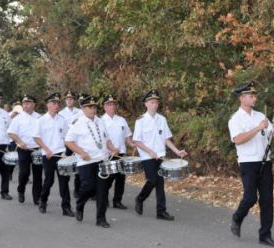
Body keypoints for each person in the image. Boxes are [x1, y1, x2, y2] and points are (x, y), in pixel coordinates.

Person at [227, 81, 274, 247]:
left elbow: (272, 134)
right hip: (248, 163)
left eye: (255, 95)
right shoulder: (235, 119)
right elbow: (238, 140)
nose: (255, 98)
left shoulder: (260, 116)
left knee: (267, 200)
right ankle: (237, 217)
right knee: (250, 197)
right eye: (251, 95)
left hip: (265, 161)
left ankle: (265, 235)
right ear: (242, 98)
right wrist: (258, 128)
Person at [65, 94, 119, 228]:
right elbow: (68, 141)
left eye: (94, 107)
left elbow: (106, 139)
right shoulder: (77, 123)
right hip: (86, 162)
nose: (93, 109)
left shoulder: (100, 121)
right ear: (82, 108)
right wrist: (81, 152)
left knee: (102, 190)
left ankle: (101, 219)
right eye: (89, 107)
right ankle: (80, 204)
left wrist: (112, 148)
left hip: (102, 159)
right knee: (89, 187)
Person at [132, 89, 187, 221]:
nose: (155, 104)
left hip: (160, 156)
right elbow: (136, 141)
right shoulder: (140, 120)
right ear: (146, 104)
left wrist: (177, 151)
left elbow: (166, 139)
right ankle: (140, 198)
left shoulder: (162, 119)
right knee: (152, 180)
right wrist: (150, 151)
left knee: (160, 183)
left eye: (156, 102)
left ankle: (161, 211)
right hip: (147, 156)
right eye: (152, 102)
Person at [34, 92, 73, 216]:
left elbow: (67, 137)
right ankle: (43, 200)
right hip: (48, 155)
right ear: (48, 105)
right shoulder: (41, 120)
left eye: (58, 103)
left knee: (64, 181)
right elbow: (36, 138)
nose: (57, 105)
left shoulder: (63, 120)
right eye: (54, 103)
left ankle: (66, 207)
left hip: (61, 154)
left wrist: (69, 152)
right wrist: (46, 149)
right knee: (49, 180)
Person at [101, 94, 135, 209]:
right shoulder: (101, 121)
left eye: (113, 104)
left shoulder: (121, 120)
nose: (112, 106)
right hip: (108, 155)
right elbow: (102, 140)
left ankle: (117, 201)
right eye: (109, 104)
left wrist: (131, 144)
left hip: (121, 153)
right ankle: (104, 199)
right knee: (108, 179)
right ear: (104, 107)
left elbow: (127, 136)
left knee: (120, 178)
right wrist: (111, 149)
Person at [8, 95, 42, 205]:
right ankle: (21, 189)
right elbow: (11, 133)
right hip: (23, 149)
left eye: (28, 103)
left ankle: (37, 197)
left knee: (38, 174)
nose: (25, 105)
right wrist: (20, 142)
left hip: (37, 149)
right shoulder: (18, 118)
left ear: (34, 104)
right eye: (24, 103)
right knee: (24, 173)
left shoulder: (40, 117)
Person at [59, 90, 82, 196]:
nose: (69, 100)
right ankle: (65, 186)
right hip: (66, 143)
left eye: (71, 99)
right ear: (65, 101)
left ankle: (77, 189)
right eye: (67, 99)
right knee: (67, 166)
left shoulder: (80, 112)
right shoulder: (61, 113)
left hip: (77, 143)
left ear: (74, 100)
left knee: (79, 165)